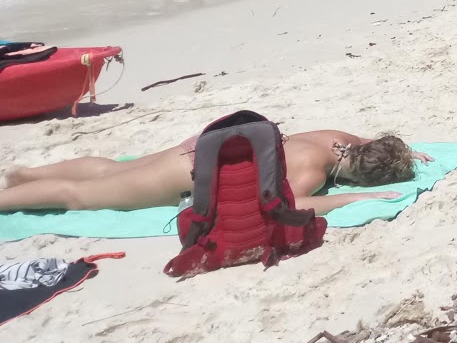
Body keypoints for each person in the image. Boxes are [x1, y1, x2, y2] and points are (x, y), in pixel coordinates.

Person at [0, 129, 420, 215]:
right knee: (79, 197)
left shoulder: (333, 138)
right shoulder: (313, 171)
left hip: (200, 146)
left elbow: (365, 141)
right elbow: (287, 203)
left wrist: (406, 151)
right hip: (188, 175)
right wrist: (353, 197)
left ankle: (26, 174)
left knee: (111, 170)